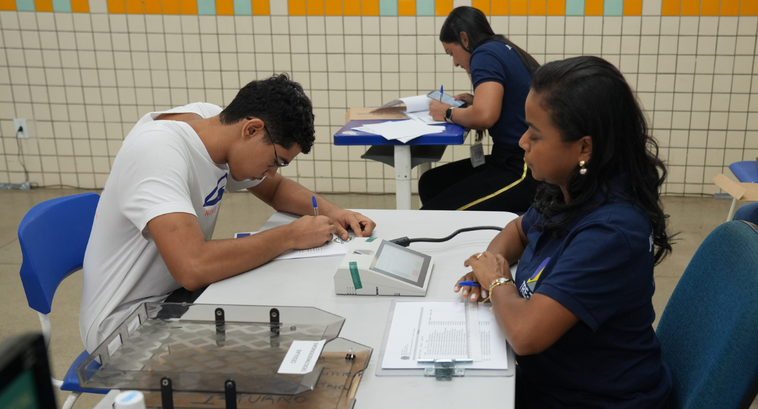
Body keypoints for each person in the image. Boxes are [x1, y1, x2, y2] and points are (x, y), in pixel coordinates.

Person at [79, 74, 376, 352]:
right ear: (251, 129)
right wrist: (290, 236)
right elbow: (193, 267)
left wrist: (333, 211)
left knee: (297, 312)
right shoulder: (156, 152)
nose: (272, 171)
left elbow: (274, 189)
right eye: (276, 160)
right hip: (127, 326)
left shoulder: (216, 125)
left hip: (180, 298)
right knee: (288, 349)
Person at [454, 57, 673, 408]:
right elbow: (518, 230)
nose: (523, 142)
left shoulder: (611, 231)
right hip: (551, 379)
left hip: (595, 399)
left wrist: (496, 282)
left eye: (536, 135)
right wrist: (491, 264)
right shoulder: (571, 186)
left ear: (584, 147)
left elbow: (525, 335)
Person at [421, 6, 540, 211]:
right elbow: (511, 103)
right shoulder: (502, 46)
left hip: (522, 167)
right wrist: (476, 101)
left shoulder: (484, 54)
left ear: (464, 39)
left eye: (451, 53)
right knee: (431, 182)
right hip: (506, 158)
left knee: (434, 213)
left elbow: (485, 117)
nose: (456, 63)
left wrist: (447, 113)